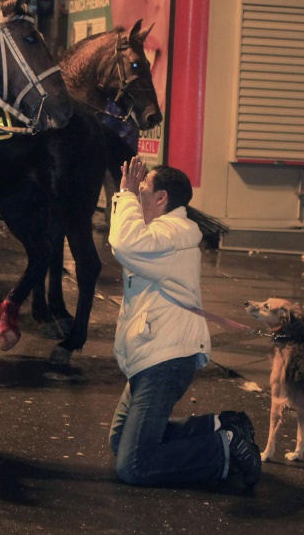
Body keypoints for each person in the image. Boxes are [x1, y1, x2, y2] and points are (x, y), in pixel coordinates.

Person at [107, 156, 261, 487]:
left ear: (161, 198)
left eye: (144, 187)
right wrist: (129, 197)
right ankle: (221, 426)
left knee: (133, 466)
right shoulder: (161, 231)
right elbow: (124, 234)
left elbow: (123, 243)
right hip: (151, 352)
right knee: (122, 443)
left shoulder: (173, 233)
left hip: (165, 359)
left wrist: (124, 193)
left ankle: (225, 448)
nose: (138, 190)